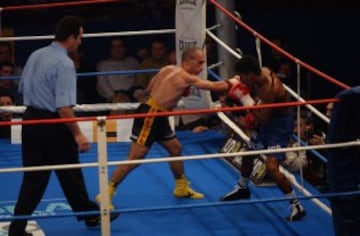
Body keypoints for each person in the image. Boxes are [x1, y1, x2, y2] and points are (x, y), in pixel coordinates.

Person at [8, 16, 119, 236]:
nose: (80, 42)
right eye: (80, 37)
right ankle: (89, 214)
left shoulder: (35, 55)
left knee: (36, 178)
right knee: (68, 171)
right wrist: (78, 134)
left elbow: (22, 89)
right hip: (54, 124)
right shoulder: (64, 64)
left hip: (30, 121)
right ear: (71, 37)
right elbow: (64, 108)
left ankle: (17, 228)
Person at [96, 47, 234, 209]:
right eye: (200, 62)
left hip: (156, 113)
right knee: (135, 157)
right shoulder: (185, 77)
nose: (202, 67)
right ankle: (106, 193)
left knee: (175, 148)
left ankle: (181, 188)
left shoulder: (167, 68)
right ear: (188, 61)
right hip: (151, 116)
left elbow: (148, 88)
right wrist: (235, 82)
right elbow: (216, 87)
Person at [220, 55, 306, 221]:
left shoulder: (270, 88)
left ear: (251, 74)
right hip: (267, 120)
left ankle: (296, 205)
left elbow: (263, 118)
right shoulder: (259, 75)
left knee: (272, 167)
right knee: (248, 153)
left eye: (243, 77)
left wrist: (245, 99)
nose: (242, 81)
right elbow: (259, 108)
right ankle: (242, 188)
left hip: (278, 127)